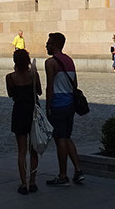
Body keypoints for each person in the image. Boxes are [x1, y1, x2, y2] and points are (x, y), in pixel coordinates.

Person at [44, 32, 84, 187]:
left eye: (48, 43)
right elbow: (75, 83)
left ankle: (62, 176)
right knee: (67, 137)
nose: (46, 45)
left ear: (54, 45)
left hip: (58, 104)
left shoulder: (50, 62)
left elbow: (49, 87)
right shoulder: (69, 60)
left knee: (60, 139)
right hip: (70, 104)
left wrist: (48, 107)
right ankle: (78, 170)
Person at [6, 48, 41, 195]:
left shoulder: (10, 77)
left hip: (19, 112)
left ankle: (23, 183)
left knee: (21, 151)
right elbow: (39, 91)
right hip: (32, 112)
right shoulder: (33, 75)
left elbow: (10, 94)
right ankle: (32, 182)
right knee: (33, 150)